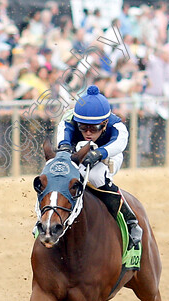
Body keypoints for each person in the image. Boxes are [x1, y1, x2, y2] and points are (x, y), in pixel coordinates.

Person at [57, 85, 141, 252]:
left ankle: (130, 220)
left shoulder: (117, 126)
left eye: (94, 128)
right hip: (78, 151)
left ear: (104, 124)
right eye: (82, 127)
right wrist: (66, 150)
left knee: (96, 176)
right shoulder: (68, 119)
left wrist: (99, 153)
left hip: (110, 155)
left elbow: (119, 144)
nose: (88, 132)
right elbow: (63, 141)